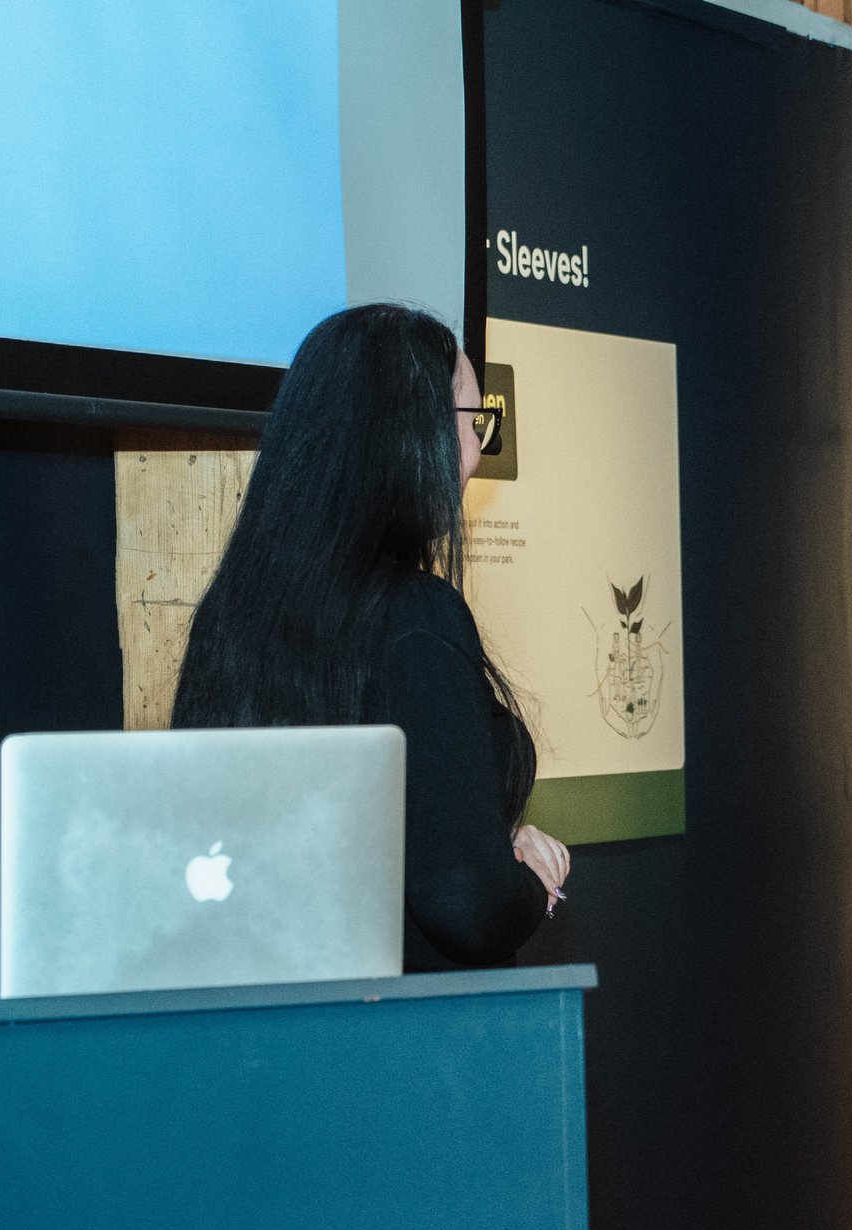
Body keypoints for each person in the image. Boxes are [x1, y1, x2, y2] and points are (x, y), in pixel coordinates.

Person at [172, 302, 567, 968]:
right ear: (409, 439)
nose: (477, 450)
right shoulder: (416, 617)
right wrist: (528, 874)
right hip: (415, 1047)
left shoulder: (229, 622)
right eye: (473, 423)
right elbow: (468, 903)